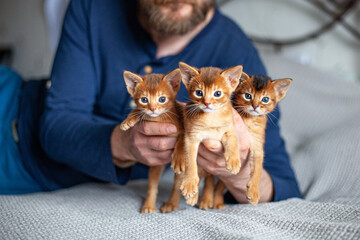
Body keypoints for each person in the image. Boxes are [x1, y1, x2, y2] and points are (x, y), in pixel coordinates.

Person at [1, 0, 301, 203]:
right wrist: (124, 143)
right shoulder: (94, 7)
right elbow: (56, 125)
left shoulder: (236, 51)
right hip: (16, 121)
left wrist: (235, 171)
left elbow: (283, 187)